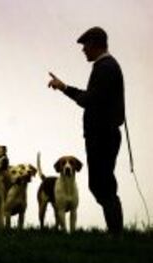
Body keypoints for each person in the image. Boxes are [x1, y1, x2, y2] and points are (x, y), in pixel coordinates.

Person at [47, 26, 125, 235]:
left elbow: (89, 100)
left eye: (85, 46)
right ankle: (115, 233)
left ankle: (116, 233)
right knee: (101, 184)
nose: (83, 50)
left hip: (102, 137)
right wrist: (65, 87)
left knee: (103, 185)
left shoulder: (105, 67)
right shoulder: (106, 66)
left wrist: (65, 89)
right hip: (102, 136)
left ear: (94, 44)